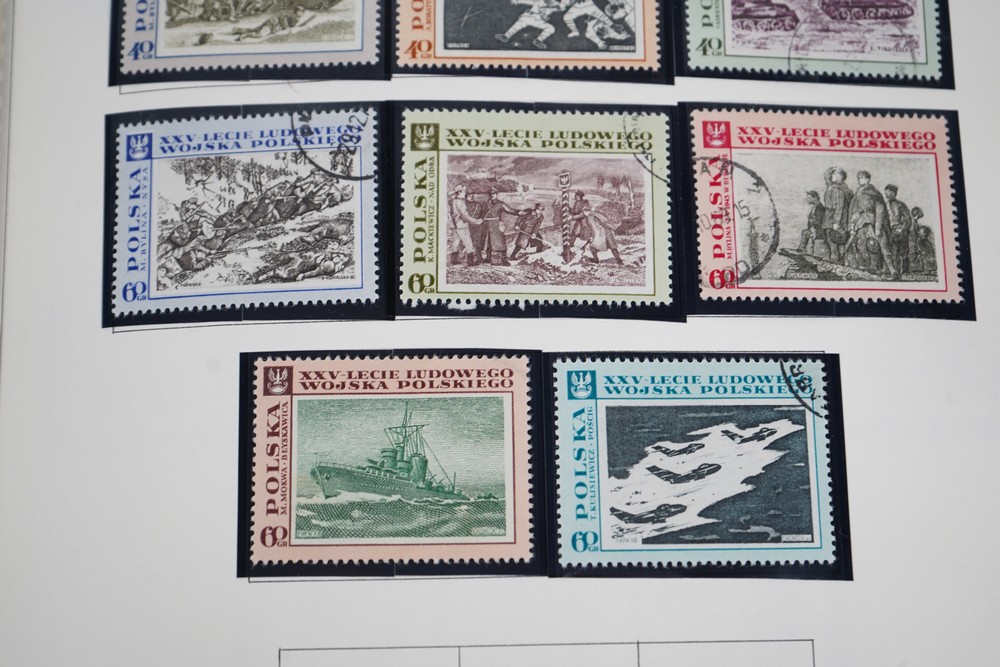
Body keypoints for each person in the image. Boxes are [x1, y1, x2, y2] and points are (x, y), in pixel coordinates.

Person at [846, 170, 895, 276]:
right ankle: (868, 268)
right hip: (861, 223)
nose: (860, 180)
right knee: (861, 245)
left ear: (868, 179)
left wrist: (878, 227)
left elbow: (880, 209)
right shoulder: (858, 193)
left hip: (874, 221)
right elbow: (854, 209)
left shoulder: (874, 193)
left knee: (881, 245)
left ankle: (890, 269)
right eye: (859, 178)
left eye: (862, 178)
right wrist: (852, 224)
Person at [495, 0, 561, 49]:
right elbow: (528, 1)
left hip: (538, 21)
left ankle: (538, 40)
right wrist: (517, 1)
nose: (552, 3)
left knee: (551, 28)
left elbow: (559, 8)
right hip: (529, 17)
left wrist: (545, 16)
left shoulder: (552, 8)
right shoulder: (539, 1)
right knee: (518, 25)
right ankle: (506, 36)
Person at [479, 188, 520, 265]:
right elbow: (480, 213)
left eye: (494, 194)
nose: (492, 195)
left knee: (501, 242)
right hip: (486, 225)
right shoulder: (484, 204)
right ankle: (488, 259)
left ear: (496, 194)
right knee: (488, 242)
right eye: (490, 194)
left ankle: (504, 260)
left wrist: (519, 212)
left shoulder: (500, 204)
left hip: (496, 224)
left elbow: (510, 210)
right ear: (488, 195)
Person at [822, 167, 852, 264]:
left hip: (835, 220)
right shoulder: (833, 187)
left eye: (836, 174)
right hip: (829, 218)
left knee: (835, 243)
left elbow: (839, 207)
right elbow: (826, 176)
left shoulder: (838, 190)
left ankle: (837, 263)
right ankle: (838, 262)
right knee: (833, 243)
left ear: (842, 176)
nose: (833, 176)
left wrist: (836, 222)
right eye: (833, 174)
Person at [884, 184, 912, 276]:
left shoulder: (901, 205)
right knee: (893, 252)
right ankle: (895, 272)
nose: (886, 194)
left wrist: (902, 229)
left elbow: (908, 220)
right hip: (890, 232)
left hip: (901, 232)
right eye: (886, 192)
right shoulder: (885, 205)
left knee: (904, 252)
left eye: (889, 192)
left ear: (894, 193)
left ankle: (905, 272)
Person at [447, 185, 480, 265]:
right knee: (468, 242)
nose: (465, 193)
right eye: (463, 192)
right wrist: (475, 221)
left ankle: (453, 260)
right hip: (461, 224)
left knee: (456, 242)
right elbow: (465, 215)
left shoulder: (453, 201)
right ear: (460, 193)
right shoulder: (460, 202)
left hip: (454, 224)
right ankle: (470, 262)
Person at [798, 191, 827, 257]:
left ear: (815, 198)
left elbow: (819, 222)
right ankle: (802, 251)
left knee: (805, 233)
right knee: (805, 232)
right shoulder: (814, 207)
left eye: (809, 198)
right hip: (814, 230)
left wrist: (814, 230)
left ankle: (802, 251)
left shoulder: (820, 208)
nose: (807, 199)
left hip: (819, 231)